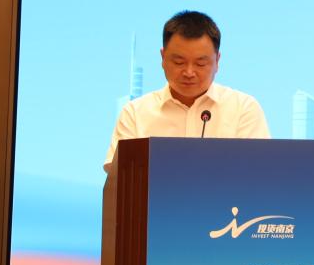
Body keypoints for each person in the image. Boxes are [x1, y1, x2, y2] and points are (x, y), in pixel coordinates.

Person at [104, 11, 269, 170]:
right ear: (163, 58)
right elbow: (119, 178)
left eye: (200, 64)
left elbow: (258, 173)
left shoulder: (243, 109)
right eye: (179, 62)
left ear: (217, 61)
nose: (189, 72)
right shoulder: (135, 114)